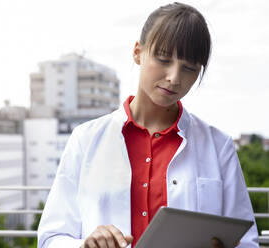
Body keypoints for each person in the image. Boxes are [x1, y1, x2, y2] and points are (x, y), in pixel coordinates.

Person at [37, 2, 259, 248]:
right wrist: (84, 245)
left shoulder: (219, 146)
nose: (174, 77)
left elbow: (246, 242)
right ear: (137, 52)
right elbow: (51, 239)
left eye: (189, 68)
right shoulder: (85, 139)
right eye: (163, 59)